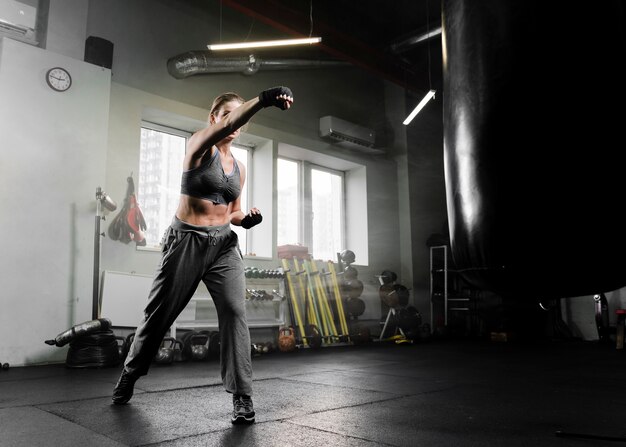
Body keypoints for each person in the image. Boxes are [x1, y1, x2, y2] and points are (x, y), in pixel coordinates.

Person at [111, 86, 294, 425]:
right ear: (214, 118)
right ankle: (130, 374)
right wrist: (265, 99)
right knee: (159, 317)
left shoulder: (239, 167)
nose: (233, 123)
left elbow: (233, 211)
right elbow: (227, 126)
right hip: (186, 241)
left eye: (237, 116)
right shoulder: (198, 145)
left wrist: (247, 219)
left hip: (224, 245)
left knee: (235, 314)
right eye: (227, 115)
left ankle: (242, 396)